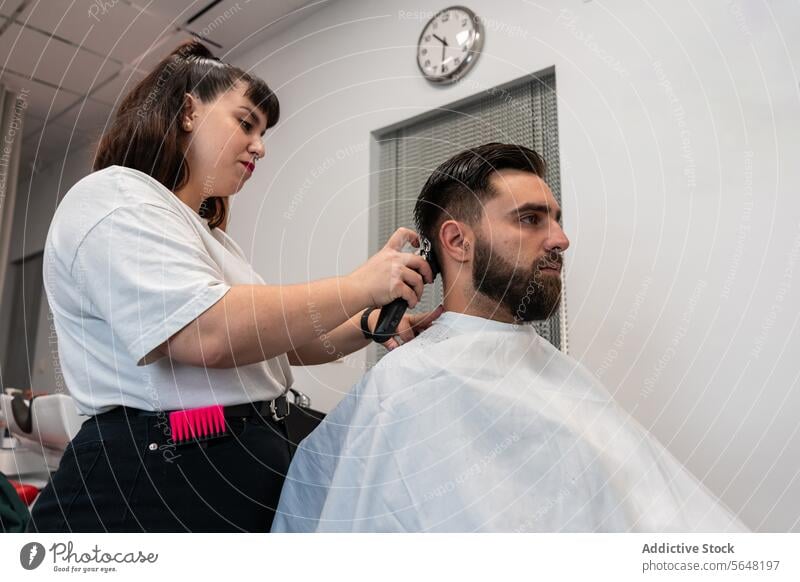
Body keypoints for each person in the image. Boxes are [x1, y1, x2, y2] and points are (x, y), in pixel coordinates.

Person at [27, 40, 440, 533]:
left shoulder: (211, 239)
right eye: (246, 123)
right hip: (160, 468)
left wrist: (373, 323)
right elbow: (207, 334)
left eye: (262, 133)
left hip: (234, 455)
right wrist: (358, 286)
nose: (260, 146)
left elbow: (282, 343)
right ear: (186, 111)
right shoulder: (116, 198)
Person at [271, 143, 747, 532]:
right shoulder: (406, 386)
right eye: (531, 219)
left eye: (556, 219)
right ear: (457, 242)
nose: (561, 239)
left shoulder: (544, 370)